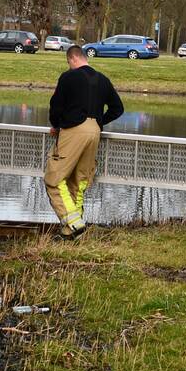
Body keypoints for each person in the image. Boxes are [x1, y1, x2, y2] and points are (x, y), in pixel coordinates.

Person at [45, 45, 123, 239]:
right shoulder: (103, 80)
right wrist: (98, 122)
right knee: (79, 180)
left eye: (68, 62)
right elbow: (118, 108)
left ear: (72, 59)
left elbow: (55, 106)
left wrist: (56, 125)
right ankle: (70, 232)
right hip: (94, 131)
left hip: (73, 130)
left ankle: (74, 223)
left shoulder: (68, 77)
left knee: (54, 178)